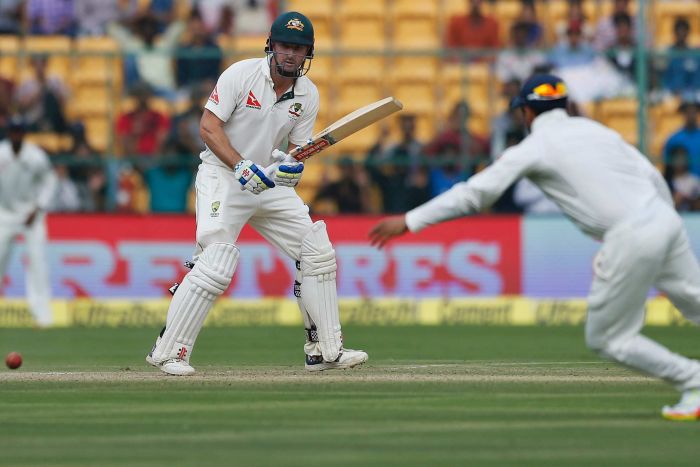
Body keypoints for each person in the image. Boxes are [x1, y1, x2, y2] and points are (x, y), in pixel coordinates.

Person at [370, 74, 700, 421]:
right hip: (664, 219)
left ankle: (692, 379)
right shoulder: (598, 131)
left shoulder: (534, 146)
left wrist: (410, 220)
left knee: (608, 339)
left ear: (526, 114)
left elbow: (475, 194)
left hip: (631, 233)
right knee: (695, 302)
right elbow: (651, 176)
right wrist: (660, 222)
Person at [146, 11, 368, 376]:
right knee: (216, 260)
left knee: (316, 249)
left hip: (267, 181)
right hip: (222, 174)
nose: (292, 55)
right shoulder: (240, 75)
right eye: (285, 46)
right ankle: (169, 351)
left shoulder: (307, 94)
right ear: (271, 45)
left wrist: (291, 171)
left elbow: (296, 153)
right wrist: (240, 166)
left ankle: (325, 350)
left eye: (299, 49)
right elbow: (208, 127)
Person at [0, 117, 57, 327]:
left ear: (23, 133)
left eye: (19, 131)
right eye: (12, 131)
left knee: (37, 262)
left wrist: (40, 206)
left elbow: (49, 181)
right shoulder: (1, 153)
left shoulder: (35, 156)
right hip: (4, 214)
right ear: (8, 133)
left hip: (31, 215)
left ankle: (43, 318)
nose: (16, 135)